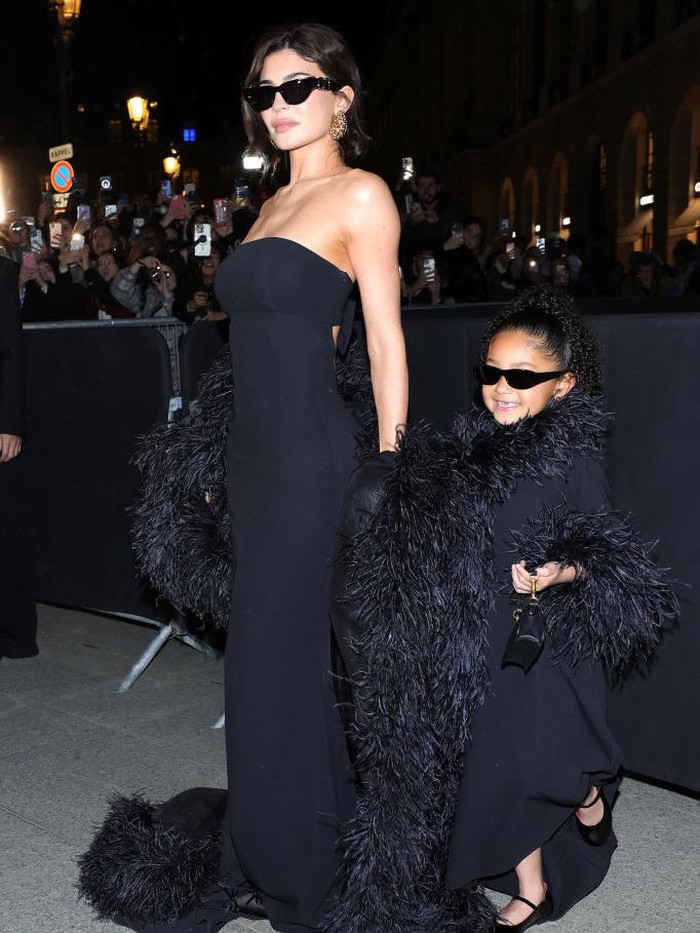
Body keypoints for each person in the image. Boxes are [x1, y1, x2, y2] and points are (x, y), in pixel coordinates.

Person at [77, 19, 408, 933]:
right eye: (264, 94)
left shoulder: (363, 196)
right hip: (255, 463)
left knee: (285, 666)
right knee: (258, 671)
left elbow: (381, 340)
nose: (277, 107)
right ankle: (262, 847)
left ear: (342, 94)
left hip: (312, 460)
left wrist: (388, 471)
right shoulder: (265, 206)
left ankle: (299, 867)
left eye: (297, 87)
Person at [327, 286, 677, 932]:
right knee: (497, 763)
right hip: (486, 631)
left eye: (521, 376)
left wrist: (553, 570)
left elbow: (605, 553)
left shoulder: (573, 457)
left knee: (552, 763)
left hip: (551, 639)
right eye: (491, 373)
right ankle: (532, 885)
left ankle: (591, 798)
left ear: (565, 384)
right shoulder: (476, 450)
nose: (500, 388)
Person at [0, 253, 38, 659]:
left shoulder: (1, 270)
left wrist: (10, 423)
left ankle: (14, 633)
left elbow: (10, 348)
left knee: (6, 527)